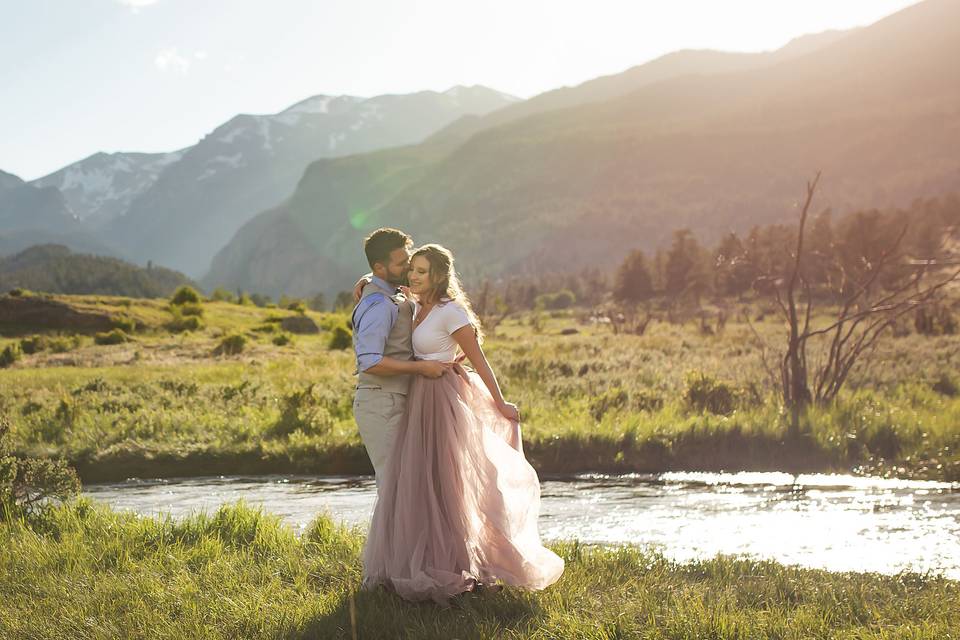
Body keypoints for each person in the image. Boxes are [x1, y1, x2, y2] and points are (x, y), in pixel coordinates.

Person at [361, 243, 564, 603]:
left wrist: (500, 403)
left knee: (447, 483)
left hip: (442, 400)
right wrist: (365, 282)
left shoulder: (450, 312)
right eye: (412, 269)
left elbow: (479, 361)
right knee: (417, 483)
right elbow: (383, 287)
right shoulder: (415, 304)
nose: (413, 275)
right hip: (417, 401)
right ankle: (411, 564)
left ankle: (458, 564)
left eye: (421, 271)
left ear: (438, 276)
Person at [351, 228, 451, 489]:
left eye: (408, 259)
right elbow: (370, 361)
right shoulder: (379, 305)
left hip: (395, 400)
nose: (408, 267)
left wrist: (367, 278)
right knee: (396, 487)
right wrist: (421, 368)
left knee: (410, 486)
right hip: (381, 403)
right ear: (380, 268)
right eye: (401, 263)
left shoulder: (391, 292)